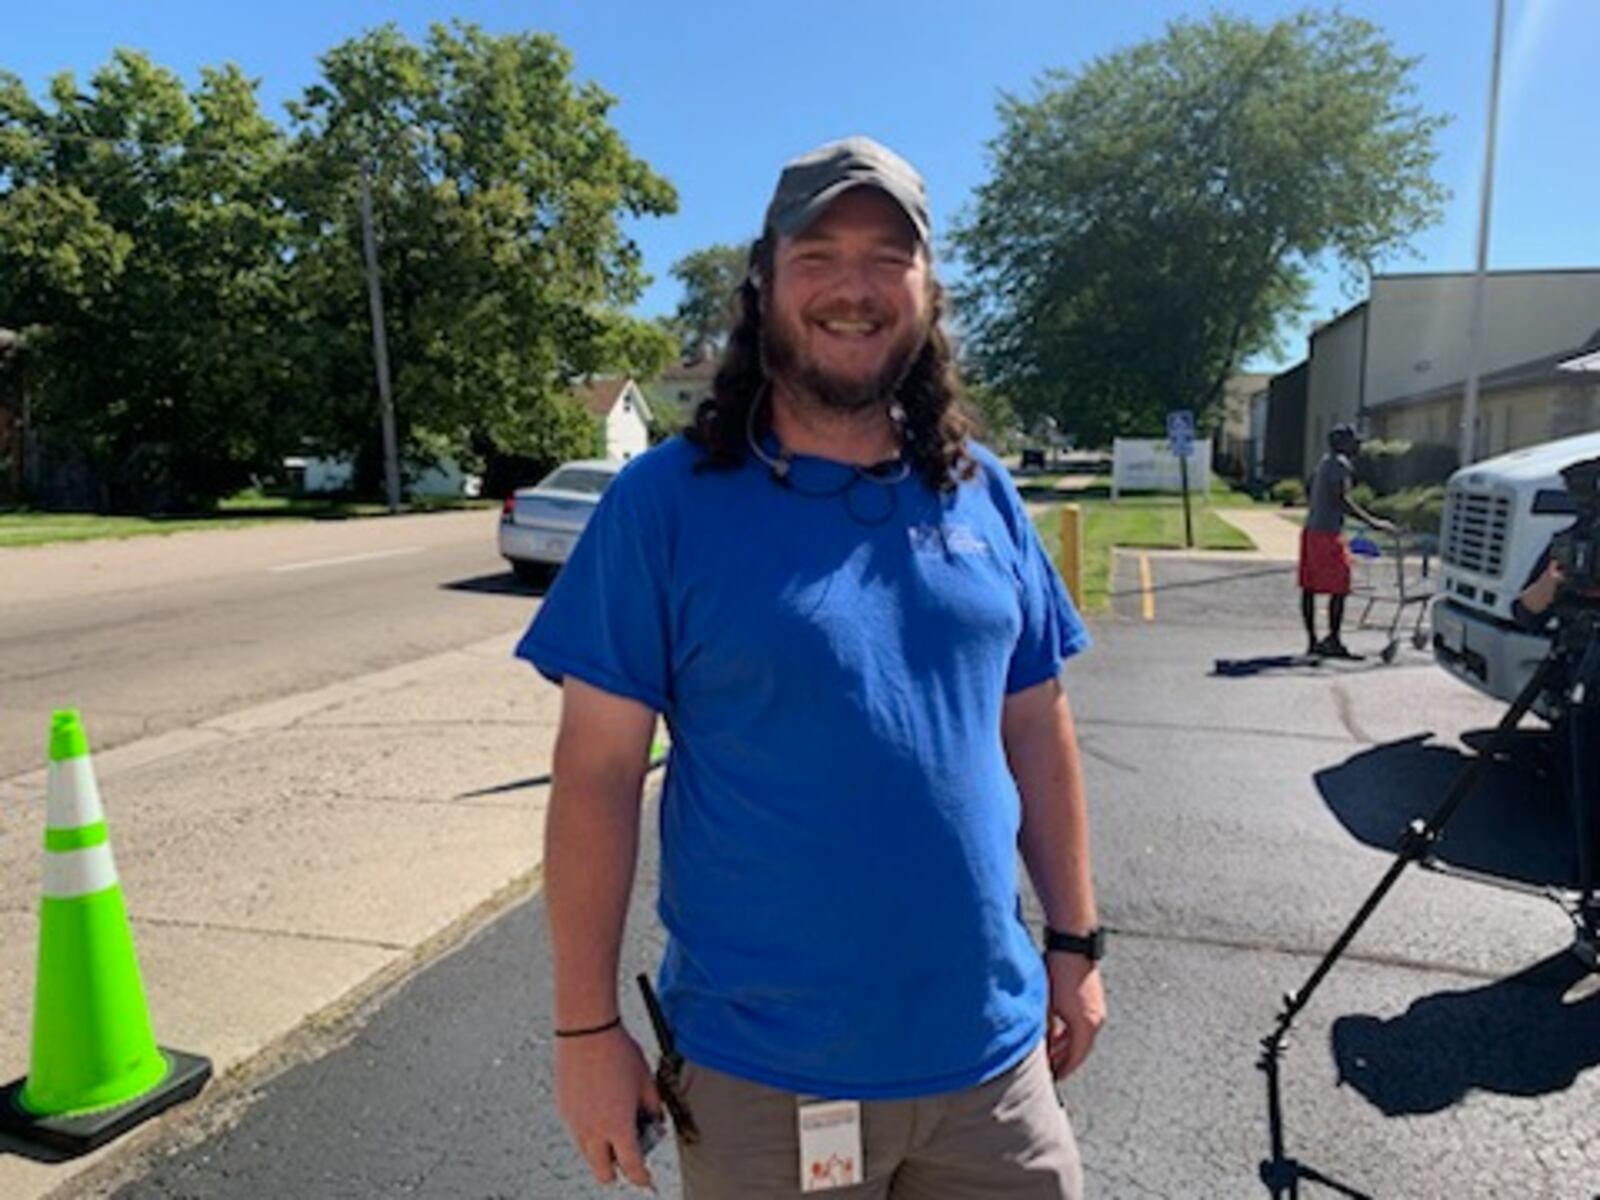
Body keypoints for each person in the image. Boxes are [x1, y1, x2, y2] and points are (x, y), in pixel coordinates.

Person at [519, 136, 1103, 1198]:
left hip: (992, 1065)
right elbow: (596, 774)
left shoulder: (984, 497)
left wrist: (1074, 937)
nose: (854, 286)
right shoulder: (664, 503)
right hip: (766, 1084)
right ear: (764, 282)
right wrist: (584, 1028)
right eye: (819, 252)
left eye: (889, 256)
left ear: (926, 290)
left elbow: (1035, 727)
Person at [1298, 424, 1395, 660]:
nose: (1358, 445)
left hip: (1312, 529)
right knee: (1340, 586)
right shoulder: (1340, 464)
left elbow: (1316, 492)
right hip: (1327, 534)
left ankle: (1313, 640)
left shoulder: (1325, 462)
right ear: (1342, 443)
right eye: (1354, 441)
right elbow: (1341, 499)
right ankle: (1333, 640)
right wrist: (1374, 522)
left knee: (1309, 586)